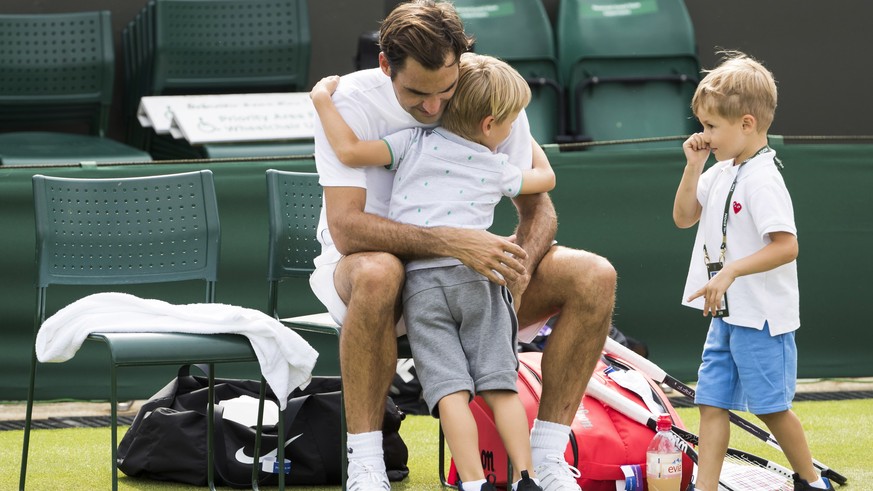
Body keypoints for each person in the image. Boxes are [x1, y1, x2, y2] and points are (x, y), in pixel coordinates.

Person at [309, 2, 616, 490]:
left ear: (462, 62)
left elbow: (541, 210)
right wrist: (448, 241)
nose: (433, 108)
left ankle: (546, 462)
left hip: (473, 281)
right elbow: (347, 230)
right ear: (385, 65)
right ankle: (365, 464)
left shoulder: (485, 93)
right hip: (371, 276)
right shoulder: (350, 101)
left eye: (444, 91)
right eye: (416, 93)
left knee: (593, 274)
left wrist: (514, 278)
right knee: (378, 271)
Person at [673, 51, 834, 491]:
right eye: (702, 125)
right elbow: (684, 217)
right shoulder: (720, 171)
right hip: (724, 317)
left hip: (761, 318)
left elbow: (787, 246)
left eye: (711, 127)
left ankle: (810, 480)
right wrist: (693, 167)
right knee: (710, 403)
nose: (703, 135)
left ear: (746, 124)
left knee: (771, 408)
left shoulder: (764, 178)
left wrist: (730, 273)